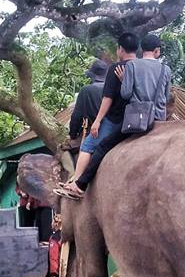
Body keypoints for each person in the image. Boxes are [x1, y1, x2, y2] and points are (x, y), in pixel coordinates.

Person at [56, 32, 141, 199]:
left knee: (87, 146)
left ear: (120, 49)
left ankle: (77, 181)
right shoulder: (142, 67)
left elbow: (90, 109)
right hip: (138, 116)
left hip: (113, 120)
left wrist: (85, 128)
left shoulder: (113, 71)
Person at [63, 59, 110, 184]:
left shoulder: (86, 91)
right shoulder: (116, 88)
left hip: (95, 132)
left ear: (93, 76)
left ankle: (73, 179)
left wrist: (72, 136)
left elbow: (77, 117)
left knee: (63, 150)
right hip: (115, 129)